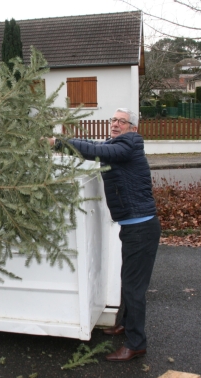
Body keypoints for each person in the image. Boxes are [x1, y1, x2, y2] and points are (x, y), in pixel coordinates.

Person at [48, 108, 160, 362]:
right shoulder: (118, 143)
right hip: (133, 227)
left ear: (132, 127)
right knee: (127, 279)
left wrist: (59, 143)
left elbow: (98, 152)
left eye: (122, 121)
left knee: (134, 287)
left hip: (141, 229)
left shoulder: (129, 145)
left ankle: (136, 343)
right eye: (114, 120)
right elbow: (94, 145)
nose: (116, 124)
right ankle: (124, 324)